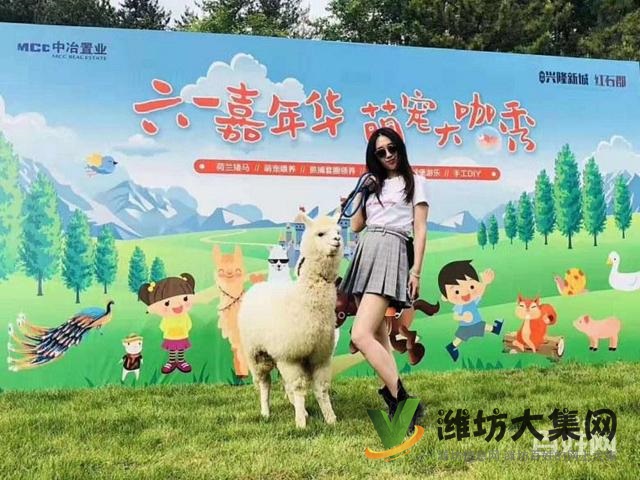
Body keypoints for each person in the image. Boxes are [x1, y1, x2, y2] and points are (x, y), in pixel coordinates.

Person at [339, 127, 429, 433]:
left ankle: (402, 401)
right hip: (367, 250)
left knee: (360, 334)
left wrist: (416, 271)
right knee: (377, 336)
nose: (388, 155)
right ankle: (399, 401)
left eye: (392, 148)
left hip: (392, 248)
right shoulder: (372, 184)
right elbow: (356, 226)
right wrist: (361, 193)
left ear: (400, 148)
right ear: (374, 156)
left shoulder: (415, 182)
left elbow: (420, 229)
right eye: (381, 152)